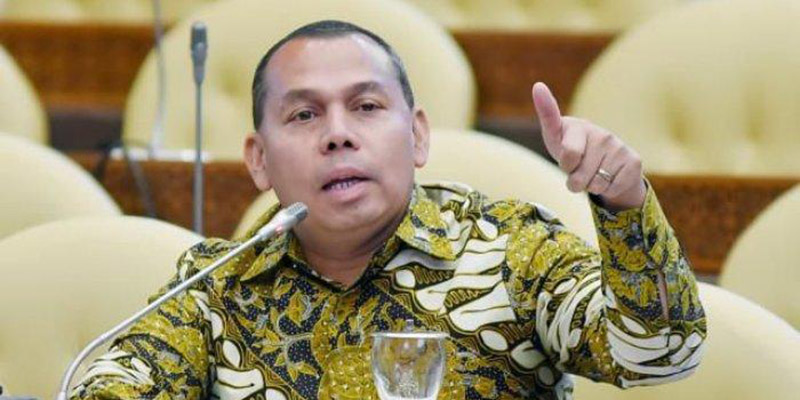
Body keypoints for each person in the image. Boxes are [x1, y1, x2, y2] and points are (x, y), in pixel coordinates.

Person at [71, 20, 706, 400]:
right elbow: (117, 386)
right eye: (304, 115)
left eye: (367, 107)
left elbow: (663, 352)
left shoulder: (512, 250)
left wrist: (625, 205)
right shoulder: (216, 289)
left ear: (418, 136)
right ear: (259, 160)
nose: (338, 135)